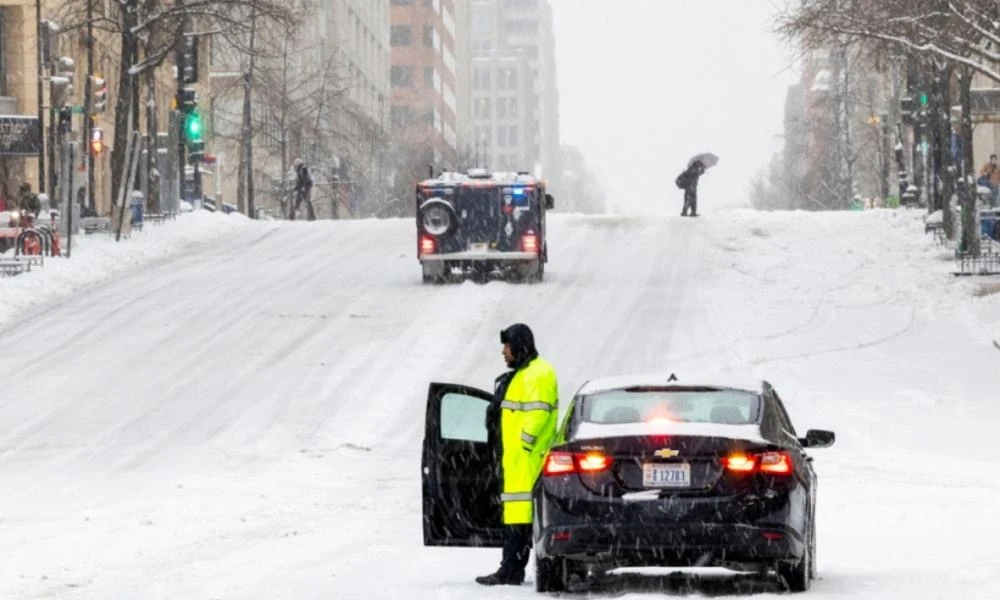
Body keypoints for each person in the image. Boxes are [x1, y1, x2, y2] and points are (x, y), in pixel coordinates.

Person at [476, 323, 559, 586]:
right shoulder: (522, 374)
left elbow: (539, 414)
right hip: (516, 462)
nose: (503, 352)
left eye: (507, 346)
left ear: (519, 345)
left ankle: (510, 569)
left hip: (528, 461)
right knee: (517, 520)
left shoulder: (539, 373)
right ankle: (510, 568)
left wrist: (524, 444)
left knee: (521, 521)